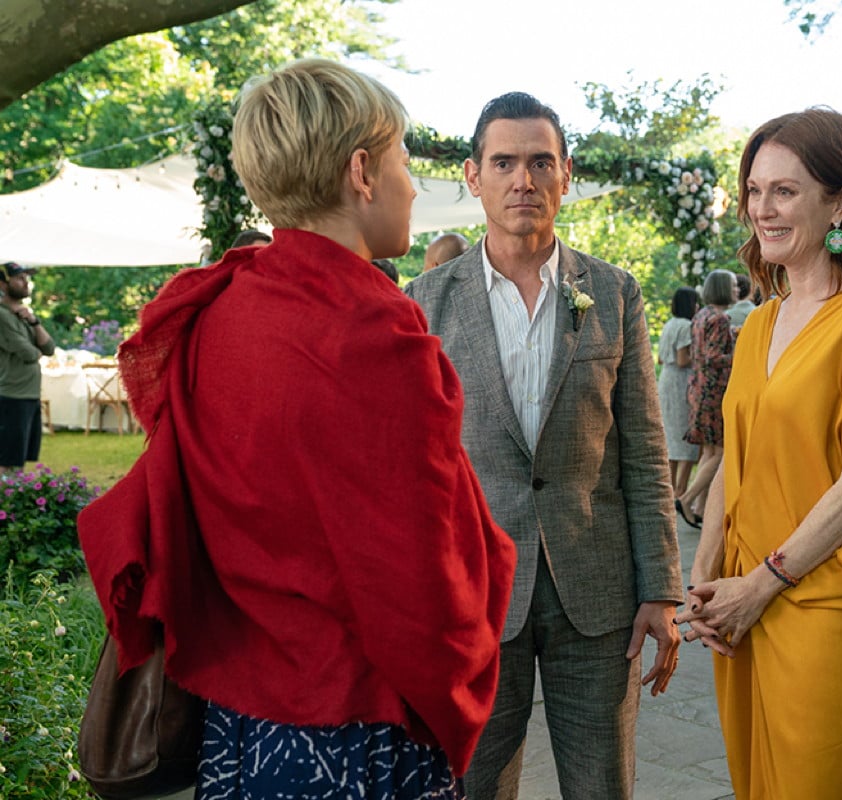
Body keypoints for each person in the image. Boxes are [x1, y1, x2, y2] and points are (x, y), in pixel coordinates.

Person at [77, 59, 517, 799]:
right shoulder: (377, 335)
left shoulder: (219, 309)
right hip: (353, 725)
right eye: (404, 160)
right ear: (361, 172)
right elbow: (420, 580)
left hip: (239, 721)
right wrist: (459, 683)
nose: (414, 185)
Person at [405, 91, 682, 800]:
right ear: (474, 176)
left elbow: (644, 452)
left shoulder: (613, 293)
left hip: (597, 595)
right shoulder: (424, 302)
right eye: (504, 162)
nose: (522, 179)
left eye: (539, 162)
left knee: (602, 788)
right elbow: (409, 467)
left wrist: (661, 589)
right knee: (473, 787)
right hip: (473, 598)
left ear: (565, 173)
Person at [677, 108, 842, 798]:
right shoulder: (759, 323)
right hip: (738, 598)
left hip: (821, 598)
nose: (762, 209)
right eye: (755, 191)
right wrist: (705, 577)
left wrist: (762, 586)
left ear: (841, 202)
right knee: (754, 781)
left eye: (784, 191)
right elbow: (735, 458)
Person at [678, 269, 736, 529]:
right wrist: (740, 352)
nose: (737, 289)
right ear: (723, 288)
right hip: (714, 391)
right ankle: (687, 499)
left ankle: (700, 507)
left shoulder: (701, 315)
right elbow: (713, 358)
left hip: (698, 388)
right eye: (733, 285)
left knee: (709, 451)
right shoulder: (720, 318)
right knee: (720, 453)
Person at [0, 262, 55, 471]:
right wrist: (36, 350)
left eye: (26, 278)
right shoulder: (2, 315)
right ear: (3, 284)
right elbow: (29, 353)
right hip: (10, 396)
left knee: (19, 460)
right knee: (7, 461)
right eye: (19, 278)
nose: (26, 283)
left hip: (29, 395)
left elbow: (48, 348)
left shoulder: (23, 315)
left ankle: (14, 493)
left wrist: (34, 321)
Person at [658, 286, 701, 499]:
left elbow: (660, 358)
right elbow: (683, 359)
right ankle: (680, 491)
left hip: (666, 379)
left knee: (670, 437)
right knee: (685, 436)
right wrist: (701, 357)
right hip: (681, 382)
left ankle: (669, 489)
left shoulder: (669, 324)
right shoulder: (686, 326)